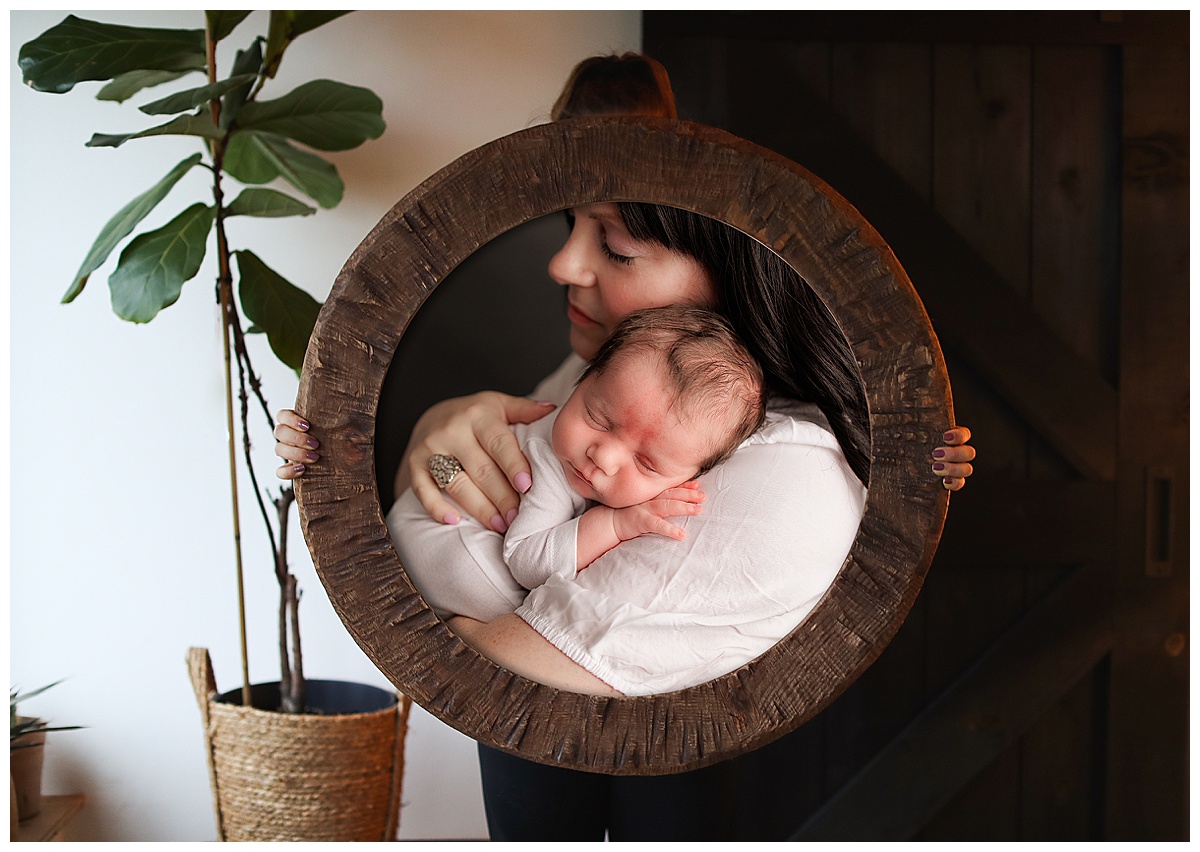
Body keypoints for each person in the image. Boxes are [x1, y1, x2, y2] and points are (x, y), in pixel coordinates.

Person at [274, 52, 976, 840]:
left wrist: (445, 538)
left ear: (725, 261)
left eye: (616, 247)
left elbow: (490, 650)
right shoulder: (591, 367)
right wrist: (415, 451)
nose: (563, 264)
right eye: (570, 227)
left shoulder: (786, 473)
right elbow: (478, 483)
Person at [386, 305, 765, 648]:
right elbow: (527, 560)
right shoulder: (548, 460)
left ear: (692, 475)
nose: (604, 457)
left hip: (428, 540)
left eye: (647, 464)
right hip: (433, 541)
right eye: (597, 417)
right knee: (500, 597)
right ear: (581, 383)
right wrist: (613, 525)